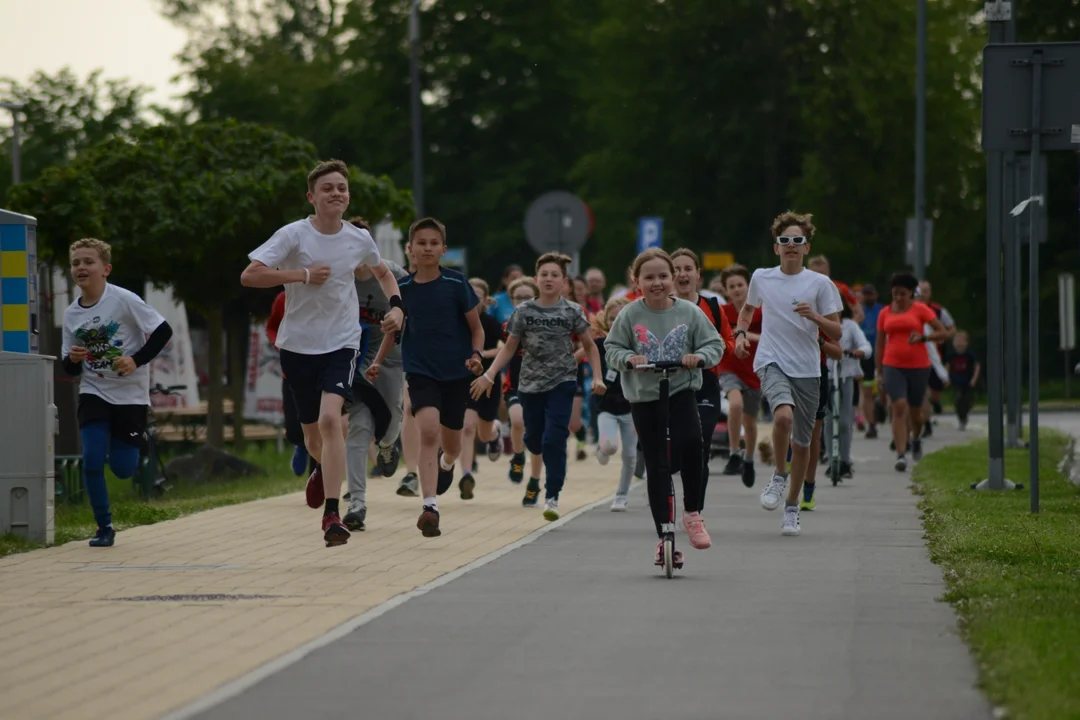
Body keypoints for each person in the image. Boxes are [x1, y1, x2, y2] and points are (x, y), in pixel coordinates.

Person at [241, 159, 403, 547]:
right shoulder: (293, 236)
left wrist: (396, 305)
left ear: (347, 198)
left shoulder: (357, 239)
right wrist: (301, 275)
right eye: (328, 188)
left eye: (342, 188)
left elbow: (381, 272)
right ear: (312, 197)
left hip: (342, 342)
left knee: (333, 421)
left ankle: (333, 514)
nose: (336, 193)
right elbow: (251, 275)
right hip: (297, 346)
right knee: (312, 435)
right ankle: (318, 466)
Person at [604, 248, 724, 566]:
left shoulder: (688, 311)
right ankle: (664, 536)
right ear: (636, 281)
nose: (657, 283)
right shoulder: (629, 314)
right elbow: (612, 347)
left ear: (672, 279)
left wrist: (698, 357)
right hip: (644, 394)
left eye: (663, 276)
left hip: (681, 387)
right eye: (649, 277)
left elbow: (715, 344)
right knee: (657, 462)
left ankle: (692, 513)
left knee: (692, 443)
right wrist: (629, 358)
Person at [369, 217, 484, 537]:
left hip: (456, 373)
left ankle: (448, 464)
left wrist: (476, 357)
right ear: (410, 249)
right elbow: (394, 332)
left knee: (451, 444)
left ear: (444, 249)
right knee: (428, 430)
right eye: (421, 243)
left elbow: (477, 328)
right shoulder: (401, 290)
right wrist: (378, 361)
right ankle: (430, 506)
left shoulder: (456, 284)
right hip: (420, 371)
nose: (428, 248)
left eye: (434, 243)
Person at [471, 252, 606, 521]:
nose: (549, 279)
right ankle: (533, 459)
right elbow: (509, 348)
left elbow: (590, 346)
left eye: (554, 275)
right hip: (530, 385)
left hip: (563, 383)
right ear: (536, 279)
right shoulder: (524, 311)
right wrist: (490, 375)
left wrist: (598, 377)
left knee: (554, 439)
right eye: (544, 274)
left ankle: (552, 495)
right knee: (534, 439)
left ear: (563, 282)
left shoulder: (572, 311)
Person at [734, 211, 842, 537]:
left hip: (808, 369)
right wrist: (740, 334)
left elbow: (836, 332)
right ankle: (779, 474)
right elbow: (748, 310)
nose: (791, 245)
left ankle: (792, 506)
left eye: (798, 241)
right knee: (782, 418)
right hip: (772, 359)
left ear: (806, 248)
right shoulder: (762, 277)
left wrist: (815, 317)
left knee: (804, 441)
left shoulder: (820, 284)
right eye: (785, 241)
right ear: (776, 247)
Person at [62, 238, 174, 547]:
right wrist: (71, 360)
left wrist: (135, 360)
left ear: (106, 269)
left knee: (124, 469)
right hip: (94, 391)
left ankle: (130, 444)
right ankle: (104, 527)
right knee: (92, 460)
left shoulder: (124, 300)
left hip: (130, 396)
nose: (81, 267)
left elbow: (163, 330)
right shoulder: (71, 315)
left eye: (88, 261)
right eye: (75, 263)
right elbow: (68, 367)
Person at [339, 217, 409, 531]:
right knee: (358, 425)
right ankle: (357, 502)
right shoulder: (339, 278)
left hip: (392, 357)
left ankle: (387, 446)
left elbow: (413, 310)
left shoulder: (392, 273)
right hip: (354, 360)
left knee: (393, 414)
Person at [671, 248, 733, 510]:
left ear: (698, 274)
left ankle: (694, 510)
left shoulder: (713, 308)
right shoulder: (660, 307)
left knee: (700, 444)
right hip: (671, 384)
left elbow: (728, 344)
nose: (682, 274)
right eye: (676, 269)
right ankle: (670, 500)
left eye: (688, 269)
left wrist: (721, 346)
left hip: (705, 382)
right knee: (676, 452)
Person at [875, 272, 951, 471]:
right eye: (895, 294)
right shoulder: (885, 312)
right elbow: (880, 344)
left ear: (911, 293)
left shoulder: (921, 310)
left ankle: (916, 438)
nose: (898, 298)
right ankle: (901, 454)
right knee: (898, 406)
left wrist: (924, 338)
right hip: (892, 364)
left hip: (919, 366)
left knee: (916, 414)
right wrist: (879, 372)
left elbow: (944, 332)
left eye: (902, 294)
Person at [457, 277, 505, 499]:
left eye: (477, 296)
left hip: (489, 381)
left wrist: (480, 354)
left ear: (485, 300)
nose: (472, 300)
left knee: (483, 435)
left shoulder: (491, 324)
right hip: (465, 381)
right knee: (467, 427)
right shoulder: (457, 321)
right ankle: (466, 474)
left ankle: (495, 433)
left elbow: (504, 349)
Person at [718, 264, 763, 487]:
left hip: (754, 371)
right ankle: (734, 452)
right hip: (729, 367)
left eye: (740, 285)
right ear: (726, 290)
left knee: (750, 421)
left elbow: (769, 338)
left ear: (749, 286)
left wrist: (746, 335)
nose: (736, 289)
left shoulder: (761, 310)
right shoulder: (723, 312)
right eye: (731, 286)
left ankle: (748, 459)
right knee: (734, 404)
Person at [500, 276, 545, 495]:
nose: (523, 301)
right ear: (512, 300)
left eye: (527, 297)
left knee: (537, 436)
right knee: (517, 421)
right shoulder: (507, 326)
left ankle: (534, 483)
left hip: (543, 387)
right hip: (516, 385)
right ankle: (518, 456)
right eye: (518, 298)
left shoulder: (547, 324)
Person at [590, 295, 636, 510]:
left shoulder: (637, 345)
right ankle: (601, 447)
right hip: (606, 406)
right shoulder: (599, 344)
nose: (615, 324)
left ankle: (621, 496)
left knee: (629, 454)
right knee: (609, 447)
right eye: (611, 320)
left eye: (620, 319)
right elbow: (578, 355)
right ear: (605, 322)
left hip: (631, 407)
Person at [823, 296, 872, 480]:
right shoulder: (819, 323)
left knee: (844, 420)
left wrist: (860, 352)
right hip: (825, 374)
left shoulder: (850, 326)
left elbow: (865, 345)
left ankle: (845, 460)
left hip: (846, 375)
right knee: (828, 419)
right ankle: (830, 458)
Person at [266, 290, 311, 476]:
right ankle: (300, 444)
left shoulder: (325, 296)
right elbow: (271, 327)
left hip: (321, 370)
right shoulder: (283, 298)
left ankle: (316, 481)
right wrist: (279, 343)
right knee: (293, 428)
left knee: (318, 425)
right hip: (291, 371)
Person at [916, 280, 957, 435]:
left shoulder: (938, 311)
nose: (922, 294)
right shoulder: (910, 310)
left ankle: (935, 404)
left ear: (930, 293)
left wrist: (943, 336)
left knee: (935, 393)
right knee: (923, 392)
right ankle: (926, 423)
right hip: (920, 357)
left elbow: (952, 328)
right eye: (919, 291)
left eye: (925, 291)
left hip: (937, 356)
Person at [857, 284, 885, 439]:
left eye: (871, 294)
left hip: (883, 356)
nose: (868, 297)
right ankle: (872, 424)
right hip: (865, 357)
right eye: (865, 294)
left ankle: (883, 408)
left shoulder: (882, 311)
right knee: (867, 392)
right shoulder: (858, 312)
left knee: (884, 390)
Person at [946, 330, 980, 430]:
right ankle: (961, 418)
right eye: (956, 340)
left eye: (961, 340)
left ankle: (965, 416)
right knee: (958, 399)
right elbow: (947, 366)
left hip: (968, 381)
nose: (959, 343)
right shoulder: (951, 354)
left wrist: (974, 379)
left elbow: (977, 366)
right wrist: (946, 378)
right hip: (956, 380)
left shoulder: (969, 354)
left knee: (967, 401)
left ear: (966, 342)